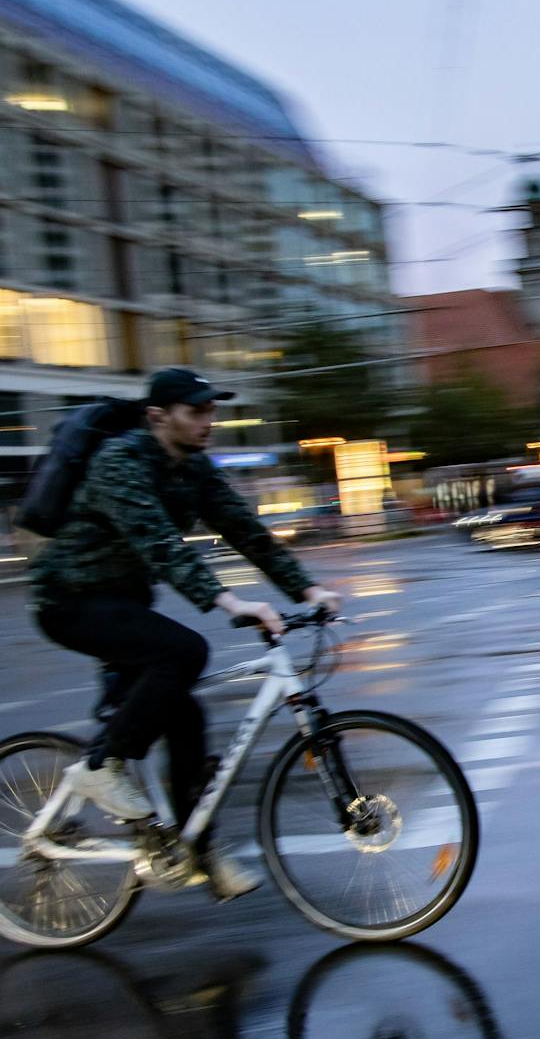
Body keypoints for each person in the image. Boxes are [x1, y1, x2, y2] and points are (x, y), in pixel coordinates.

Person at [30, 367, 343, 899]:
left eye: (212, 411)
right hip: (69, 599)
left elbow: (247, 533)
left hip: (125, 600)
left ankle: (195, 854)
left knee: (187, 718)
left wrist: (308, 591)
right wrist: (228, 602)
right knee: (184, 652)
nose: (209, 421)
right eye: (197, 412)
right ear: (158, 417)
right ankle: (99, 767)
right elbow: (161, 545)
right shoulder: (119, 462)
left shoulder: (193, 469)